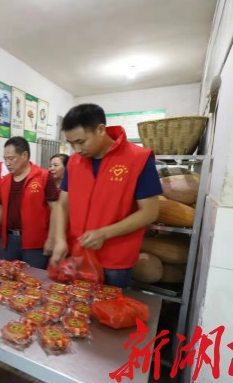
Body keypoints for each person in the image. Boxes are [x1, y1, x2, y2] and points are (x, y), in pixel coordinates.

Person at [51, 103, 162, 288]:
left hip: (115, 261)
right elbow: (62, 204)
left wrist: (104, 233)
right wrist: (60, 239)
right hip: (77, 254)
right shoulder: (74, 162)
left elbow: (150, 212)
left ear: (101, 130)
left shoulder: (138, 159)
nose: (76, 150)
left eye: (81, 141)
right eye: (71, 143)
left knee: (108, 305)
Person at [0, 137, 59, 269]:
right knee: (7, 277)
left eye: (11, 158)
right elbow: (0, 208)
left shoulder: (43, 177)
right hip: (9, 242)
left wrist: (51, 238)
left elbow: (55, 208)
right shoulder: (5, 181)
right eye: (5, 159)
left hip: (35, 243)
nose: (7, 163)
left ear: (24, 155)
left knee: (34, 278)